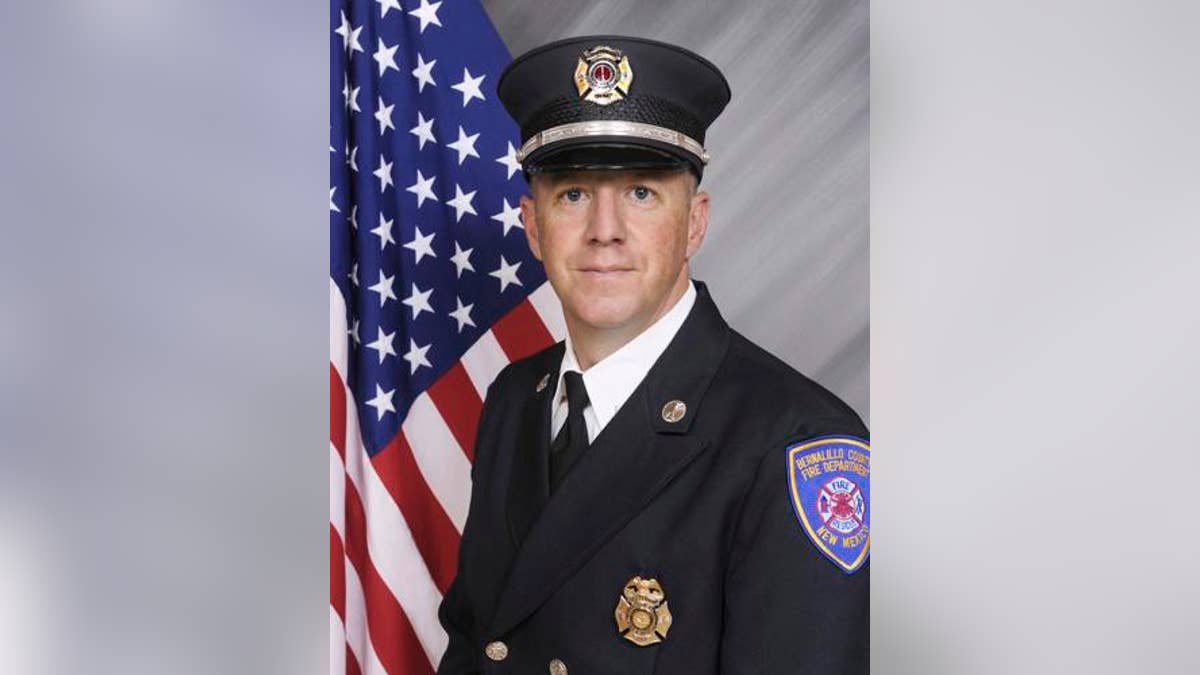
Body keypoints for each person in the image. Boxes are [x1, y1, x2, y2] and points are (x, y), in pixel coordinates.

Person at [437, 35, 869, 675]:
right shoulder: (513, 399)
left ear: (694, 221)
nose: (604, 229)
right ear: (532, 226)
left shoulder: (796, 444)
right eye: (573, 195)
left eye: (641, 193)